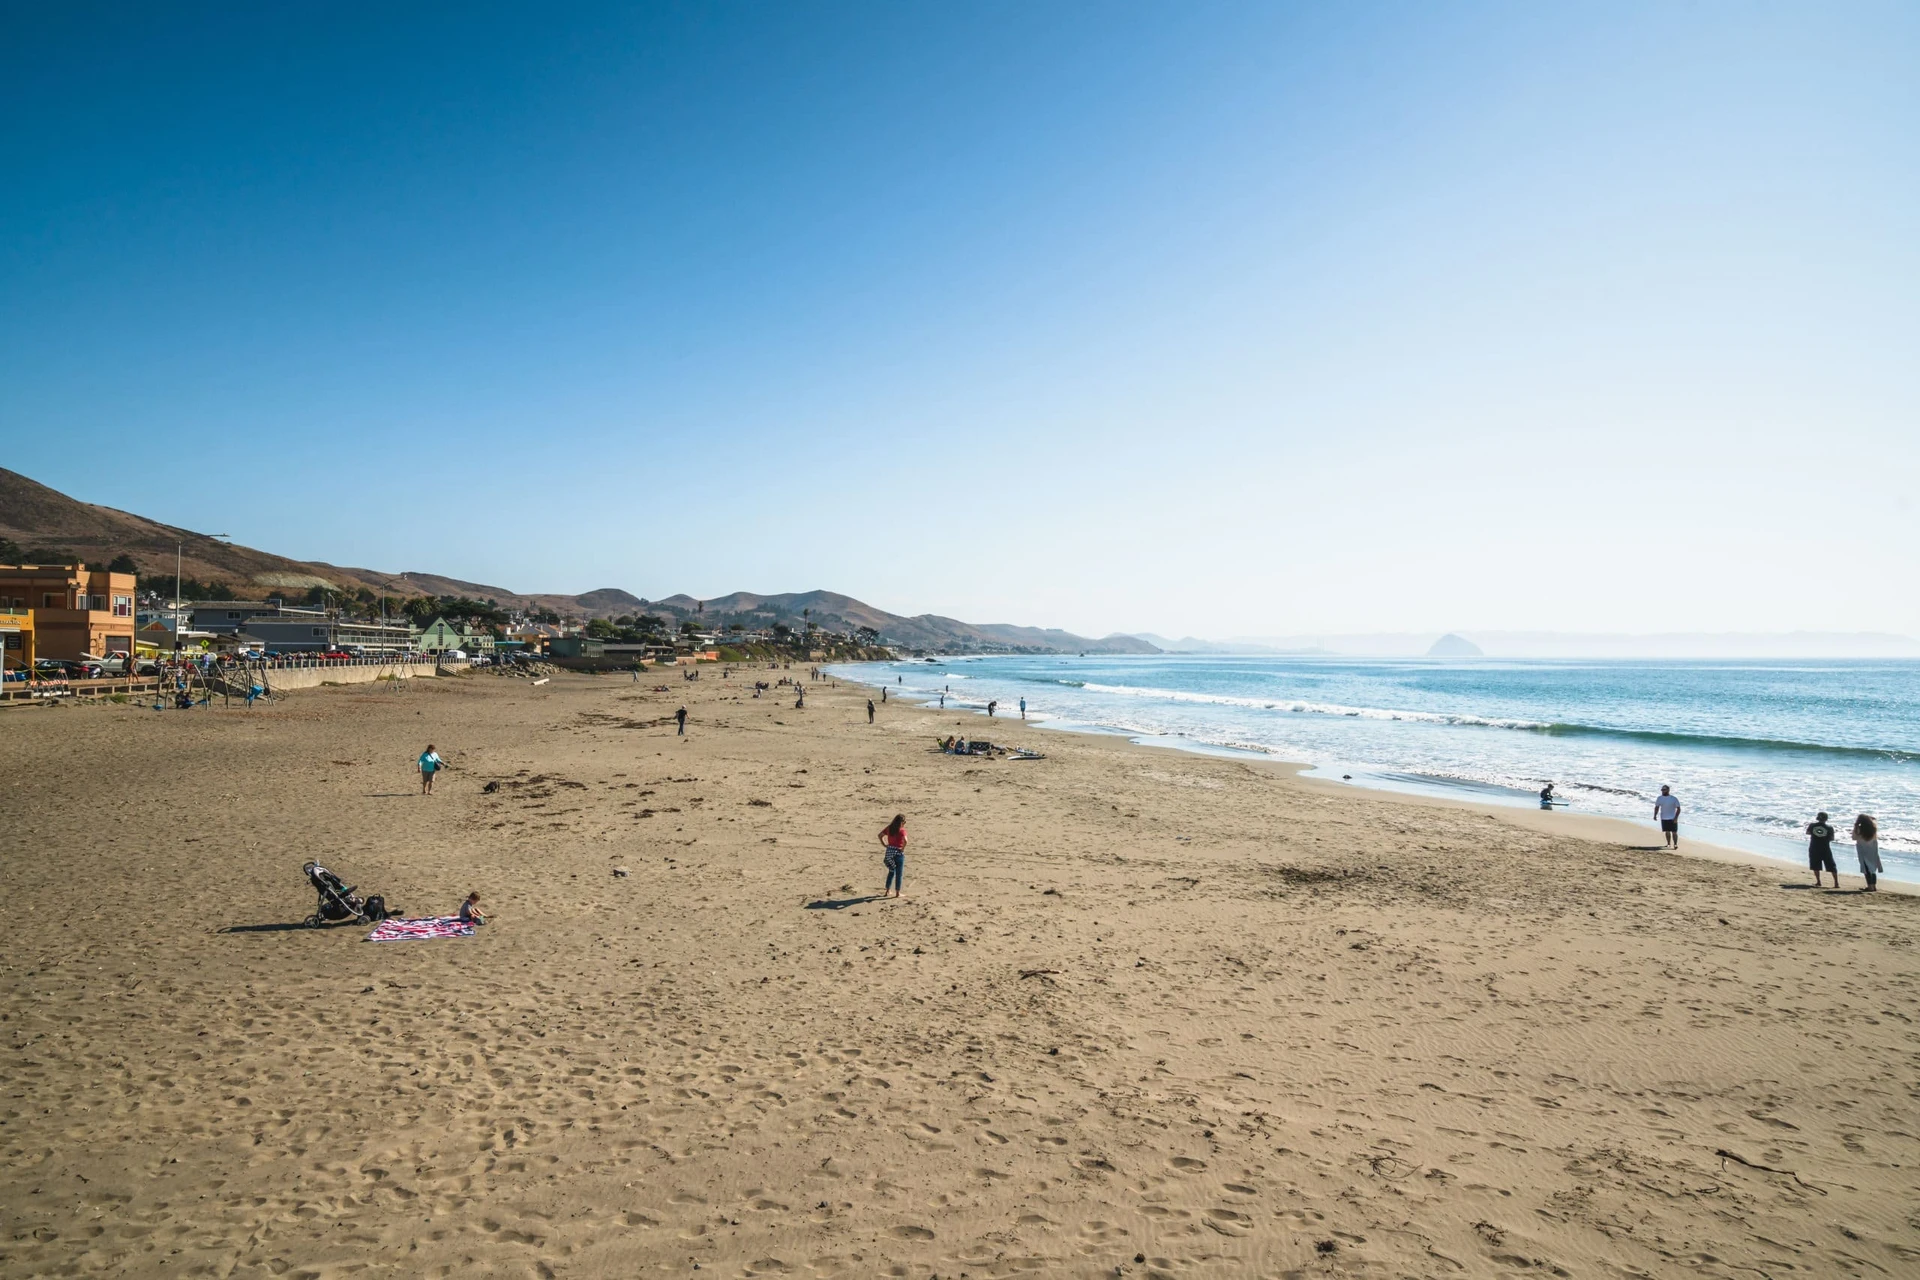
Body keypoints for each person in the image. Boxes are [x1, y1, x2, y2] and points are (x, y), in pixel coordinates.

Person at [1806, 811, 1839, 888]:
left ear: (1818, 818)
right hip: (1825, 848)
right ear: (1826, 819)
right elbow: (1832, 838)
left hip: (1814, 847)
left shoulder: (1812, 825)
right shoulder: (1829, 828)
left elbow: (1808, 833)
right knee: (1831, 865)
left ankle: (1818, 881)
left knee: (1815, 865)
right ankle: (1836, 883)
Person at [878, 813, 907, 898]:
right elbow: (906, 840)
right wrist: (902, 848)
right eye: (904, 822)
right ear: (901, 822)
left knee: (891, 871)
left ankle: (887, 890)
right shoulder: (902, 830)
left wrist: (885, 845)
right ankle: (897, 892)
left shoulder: (889, 828)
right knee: (899, 873)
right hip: (898, 852)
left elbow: (880, 835)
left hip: (889, 852)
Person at [1851, 814, 1881, 892]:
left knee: (1866, 869)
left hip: (1863, 850)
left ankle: (1870, 886)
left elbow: (1854, 838)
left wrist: (1855, 826)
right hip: (1873, 851)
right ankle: (1873, 886)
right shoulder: (1873, 828)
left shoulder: (1859, 829)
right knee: (1872, 869)